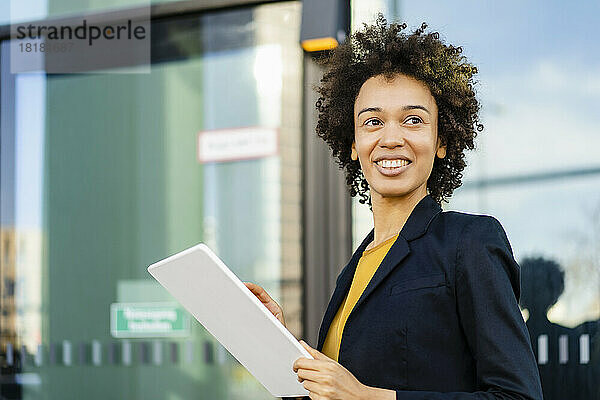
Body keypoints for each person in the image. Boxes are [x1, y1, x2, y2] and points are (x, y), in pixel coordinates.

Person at [246, 16, 542, 400]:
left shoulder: (469, 242)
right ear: (353, 144)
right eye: (372, 122)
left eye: (413, 120)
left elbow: (517, 396)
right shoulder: (355, 268)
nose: (390, 138)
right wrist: (278, 345)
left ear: (442, 141)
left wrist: (369, 397)